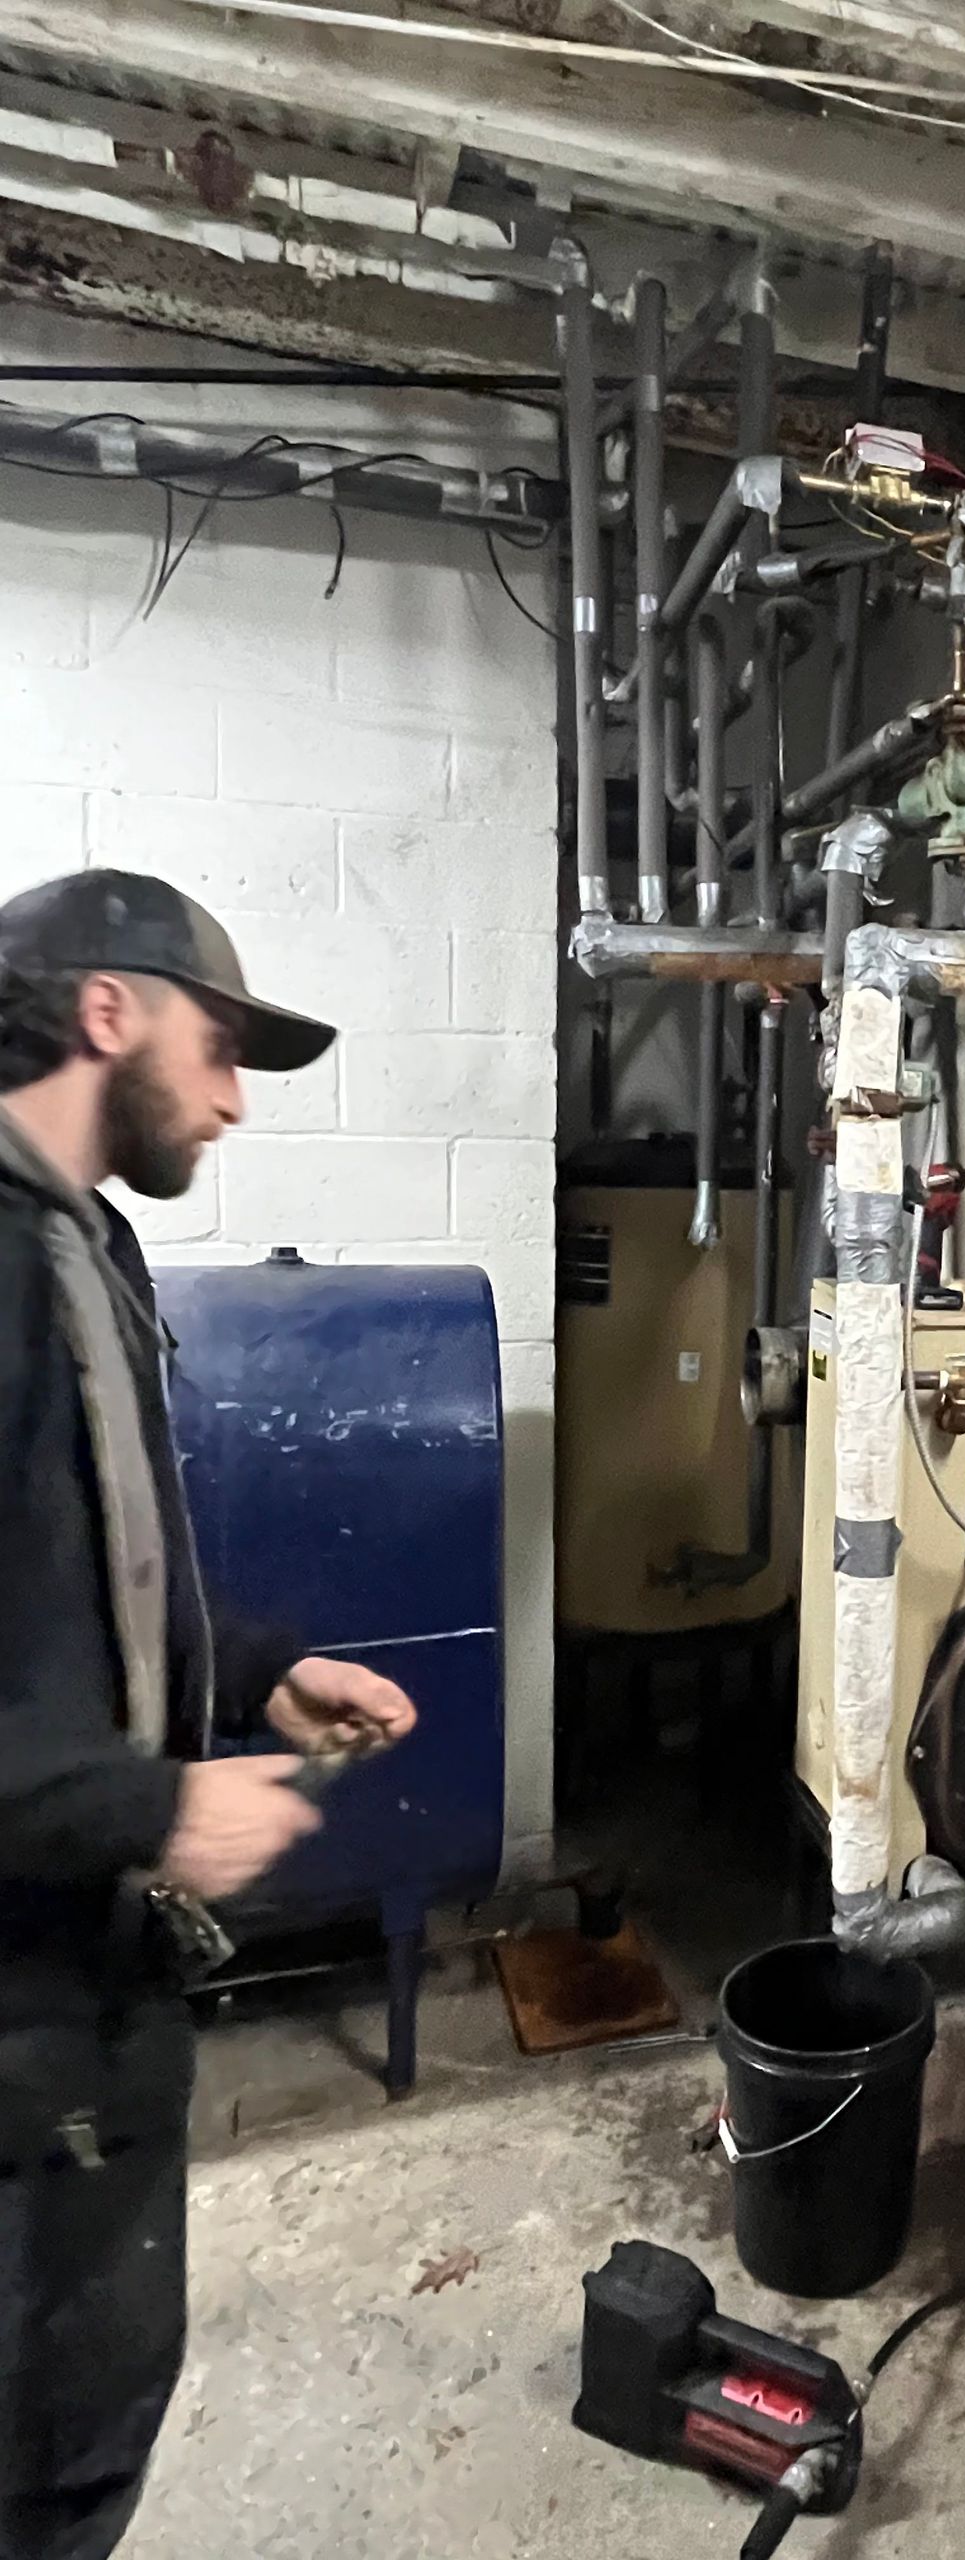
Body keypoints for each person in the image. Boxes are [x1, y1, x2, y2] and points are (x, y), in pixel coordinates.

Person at [0, 869, 418, 2557]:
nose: (236, 1100)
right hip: (19, 2006)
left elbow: (90, 1570)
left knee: (92, 2405)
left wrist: (254, 1673)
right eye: (222, 1048)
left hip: (91, 1987)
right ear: (109, 1011)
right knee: (41, 2461)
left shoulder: (82, 1244)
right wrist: (157, 1809)